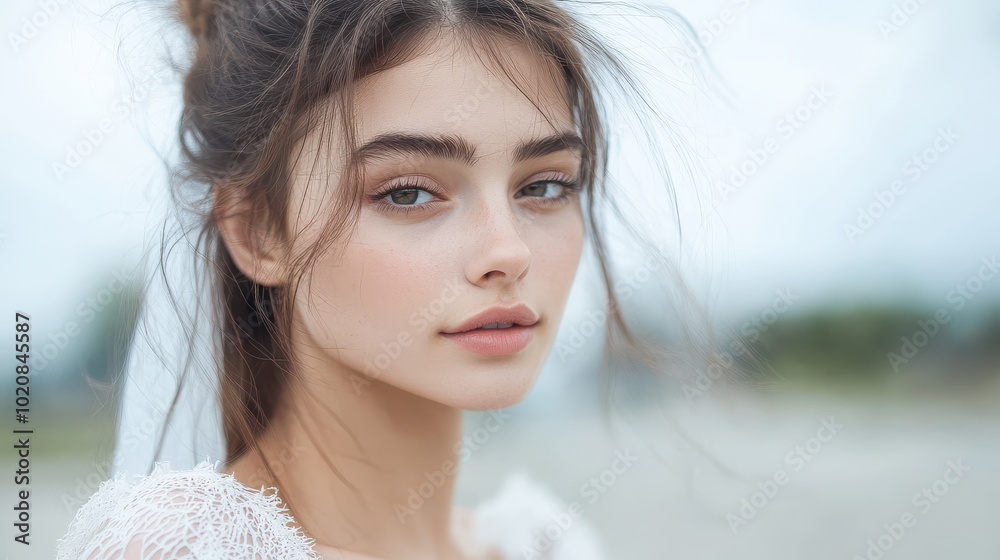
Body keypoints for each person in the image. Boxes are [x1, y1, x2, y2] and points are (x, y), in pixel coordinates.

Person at [56, 0, 714, 558]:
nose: (508, 252)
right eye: (407, 194)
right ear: (257, 231)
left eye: (544, 185)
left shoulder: (544, 543)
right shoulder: (182, 548)